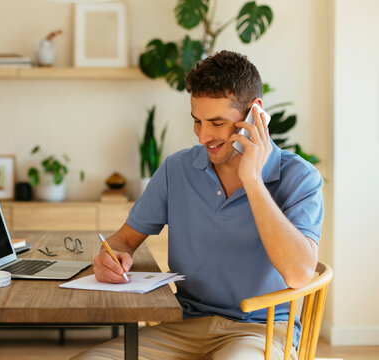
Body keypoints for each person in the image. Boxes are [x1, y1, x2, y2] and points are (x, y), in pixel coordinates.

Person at [72, 50, 323, 360]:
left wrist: (253, 180)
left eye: (217, 123)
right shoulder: (177, 169)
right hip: (184, 323)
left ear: (254, 114)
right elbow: (124, 239)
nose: (204, 136)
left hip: (260, 330)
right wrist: (111, 257)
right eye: (197, 122)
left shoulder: (299, 177)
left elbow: (299, 274)